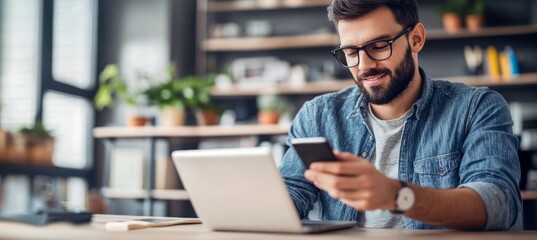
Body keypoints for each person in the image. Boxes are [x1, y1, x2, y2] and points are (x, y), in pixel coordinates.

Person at [279, 0, 522, 230]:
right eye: (351, 52)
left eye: (379, 46)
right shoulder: (317, 116)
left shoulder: (476, 108)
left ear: (416, 39)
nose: (364, 65)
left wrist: (397, 196)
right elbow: (289, 195)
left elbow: (499, 204)